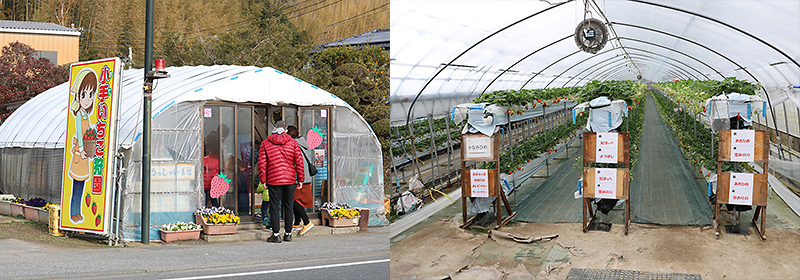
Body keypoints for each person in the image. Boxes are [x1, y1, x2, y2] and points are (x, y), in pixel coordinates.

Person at [259, 120, 304, 243]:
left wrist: (263, 180)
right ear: (285, 129)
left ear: (275, 128)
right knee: (289, 207)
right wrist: (300, 179)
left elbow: (262, 164)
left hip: (273, 180)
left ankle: (276, 234)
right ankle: (288, 234)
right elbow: (299, 162)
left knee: (274, 207)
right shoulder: (293, 142)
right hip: (289, 180)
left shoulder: (265, 143)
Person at [68, 68, 97, 224]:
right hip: (80, 154)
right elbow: (79, 133)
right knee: (76, 187)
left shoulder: (86, 114)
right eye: (84, 94)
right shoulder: (79, 114)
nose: (87, 99)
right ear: (78, 96)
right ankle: (73, 213)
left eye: (91, 94)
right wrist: (81, 150)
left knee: (81, 186)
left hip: (85, 152)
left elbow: (88, 131)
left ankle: (78, 212)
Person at [287, 125, 314, 235]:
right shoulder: (302, 142)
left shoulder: (294, 144)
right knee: (298, 200)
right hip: (305, 177)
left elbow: (296, 163)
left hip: (299, 177)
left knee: (293, 200)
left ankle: (307, 222)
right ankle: (297, 222)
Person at [203, 133, 221, 207]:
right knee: (214, 200)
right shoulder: (216, 160)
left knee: (204, 201)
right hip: (213, 184)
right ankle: (218, 212)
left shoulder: (202, 162)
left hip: (204, 184)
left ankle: (202, 213)